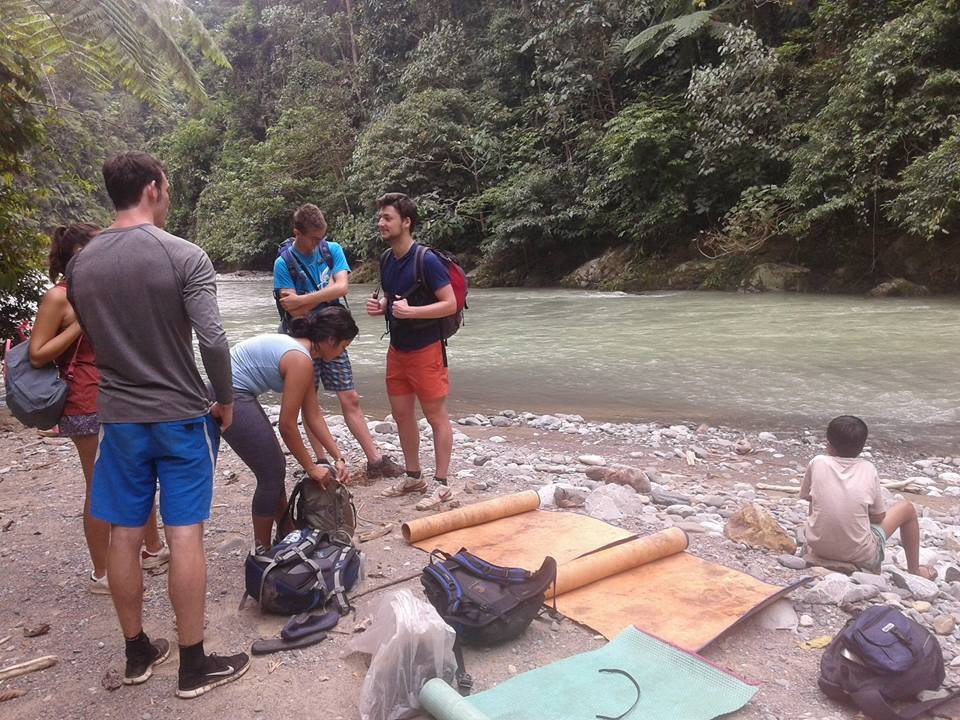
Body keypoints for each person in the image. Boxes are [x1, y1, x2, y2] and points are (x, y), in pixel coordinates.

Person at [67, 151, 249, 698]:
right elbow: (213, 339)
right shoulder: (183, 255)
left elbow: (96, 337)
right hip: (179, 414)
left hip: (118, 417)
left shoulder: (82, 264)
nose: (167, 196)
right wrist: (225, 397)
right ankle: (193, 664)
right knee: (184, 530)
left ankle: (136, 652)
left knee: (125, 532)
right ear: (151, 188)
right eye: (166, 188)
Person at [28, 224, 169, 595]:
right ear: (77, 253)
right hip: (82, 400)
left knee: (139, 469)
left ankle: (152, 550)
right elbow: (38, 353)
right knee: (100, 483)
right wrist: (80, 324)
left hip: (118, 393)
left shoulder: (98, 289)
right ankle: (102, 572)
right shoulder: (59, 298)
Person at [274, 204, 404, 482]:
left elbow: (341, 288)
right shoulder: (284, 263)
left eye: (322, 237)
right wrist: (320, 295)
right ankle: (322, 460)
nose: (318, 243)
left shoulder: (330, 250)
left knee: (350, 397)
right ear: (298, 233)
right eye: (313, 238)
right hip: (304, 342)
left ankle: (375, 460)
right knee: (310, 402)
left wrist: (304, 299)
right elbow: (293, 311)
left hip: (334, 335)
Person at [218, 307, 357, 548]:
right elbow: (287, 426)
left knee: (272, 467)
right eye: (343, 347)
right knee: (272, 472)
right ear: (331, 340)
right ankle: (262, 551)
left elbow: (313, 415)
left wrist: (338, 457)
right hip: (228, 396)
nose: (341, 353)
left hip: (236, 393)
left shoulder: (303, 355)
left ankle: (285, 531)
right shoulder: (300, 359)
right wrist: (311, 468)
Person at [366, 193, 457, 511]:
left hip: (426, 350)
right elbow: (395, 298)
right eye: (380, 218)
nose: (381, 223)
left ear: (406, 222)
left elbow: (450, 303)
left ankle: (442, 484)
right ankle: (414, 476)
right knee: (403, 415)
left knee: (435, 417)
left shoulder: (426, 259)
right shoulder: (387, 258)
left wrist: (411, 313)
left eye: (387, 218)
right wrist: (383, 306)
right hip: (398, 349)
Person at [800, 415, 937, 579]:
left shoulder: (817, 462)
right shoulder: (868, 468)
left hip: (819, 546)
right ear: (862, 447)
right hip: (860, 554)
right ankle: (915, 570)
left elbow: (810, 500)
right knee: (907, 508)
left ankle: (816, 544)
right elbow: (879, 517)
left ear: (828, 445)